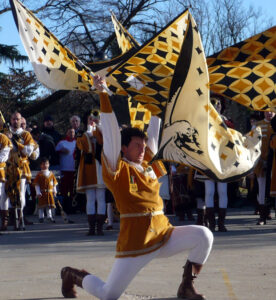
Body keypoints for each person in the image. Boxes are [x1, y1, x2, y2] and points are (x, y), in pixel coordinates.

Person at [60, 75, 213, 300]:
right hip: (136, 242)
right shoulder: (117, 168)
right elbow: (111, 134)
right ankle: (72, 275)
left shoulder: (149, 163)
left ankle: (186, 287)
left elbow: (155, 123)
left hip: (163, 234)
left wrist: (158, 94)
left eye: (143, 145)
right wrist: (103, 93)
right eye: (136, 146)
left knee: (204, 235)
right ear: (124, 149)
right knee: (109, 294)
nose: (142, 150)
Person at [5, 111, 39, 229]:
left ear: (21, 121)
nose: (15, 121)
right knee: (7, 193)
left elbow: (28, 152)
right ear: (10, 120)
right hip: (8, 167)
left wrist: (16, 143)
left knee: (20, 193)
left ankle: (19, 216)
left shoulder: (25, 135)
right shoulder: (5, 133)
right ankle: (8, 218)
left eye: (17, 119)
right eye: (13, 119)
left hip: (21, 167)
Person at [76, 108, 106, 235]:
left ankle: (100, 227)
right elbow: (83, 146)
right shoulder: (82, 134)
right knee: (90, 198)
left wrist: (98, 127)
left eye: (94, 118)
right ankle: (91, 228)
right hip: (88, 168)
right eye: (90, 119)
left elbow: (102, 141)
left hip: (99, 167)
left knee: (101, 197)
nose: (92, 120)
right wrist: (89, 132)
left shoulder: (102, 131)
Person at [204, 96, 230, 232]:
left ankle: (221, 223)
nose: (216, 105)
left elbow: (232, 138)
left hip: (222, 159)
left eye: (218, 103)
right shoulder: (203, 120)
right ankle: (211, 223)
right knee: (209, 191)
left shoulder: (226, 121)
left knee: (222, 191)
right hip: (208, 159)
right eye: (213, 103)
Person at [254, 111, 276, 225]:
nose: (270, 113)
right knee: (262, 189)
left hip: (274, 162)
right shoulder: (257, 125)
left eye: (272, 111)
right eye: (267, 111)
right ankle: (262, 216)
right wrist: (260, 160)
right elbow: (253, 144)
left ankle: (269, 211)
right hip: (261, 162)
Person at [55, 128, 76, 212]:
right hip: (64, 169)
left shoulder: (77, 142)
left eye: (73, 132)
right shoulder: (62, 143)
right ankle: (63, 207)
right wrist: (62, 150)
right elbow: (55, 152)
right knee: (64, 189)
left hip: (74, 169)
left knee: (72, 190)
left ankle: (72, 207)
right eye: (70, 132)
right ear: (66, 133)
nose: (71, 133)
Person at [33, 157, 58, 223]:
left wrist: (54, 190)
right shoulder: (39, 175)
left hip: (49, 193)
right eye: (43, 164)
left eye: (46, 164)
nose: (45, 165)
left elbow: (54, 183)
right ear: (40, 165)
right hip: (42, 193)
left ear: (49, 164)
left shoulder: (51, 174)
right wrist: (38, 192)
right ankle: (41, 217)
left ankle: (49, 217)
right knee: (41, 206)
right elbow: (37, 184)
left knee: (49, 206)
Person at [0, 133, 13, 232]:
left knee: (2, 196)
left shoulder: (3, 138)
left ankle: (4, 221)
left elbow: (4, 156)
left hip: (1, 171)